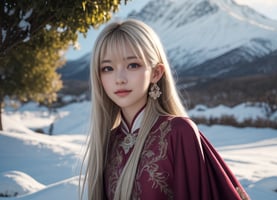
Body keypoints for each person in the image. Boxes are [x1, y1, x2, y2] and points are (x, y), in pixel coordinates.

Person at [80, 19, 250, 200]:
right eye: (108, 68)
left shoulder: (178, 132)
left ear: (156, 73)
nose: (119, 78)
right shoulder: (109, 142)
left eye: (133, 65)